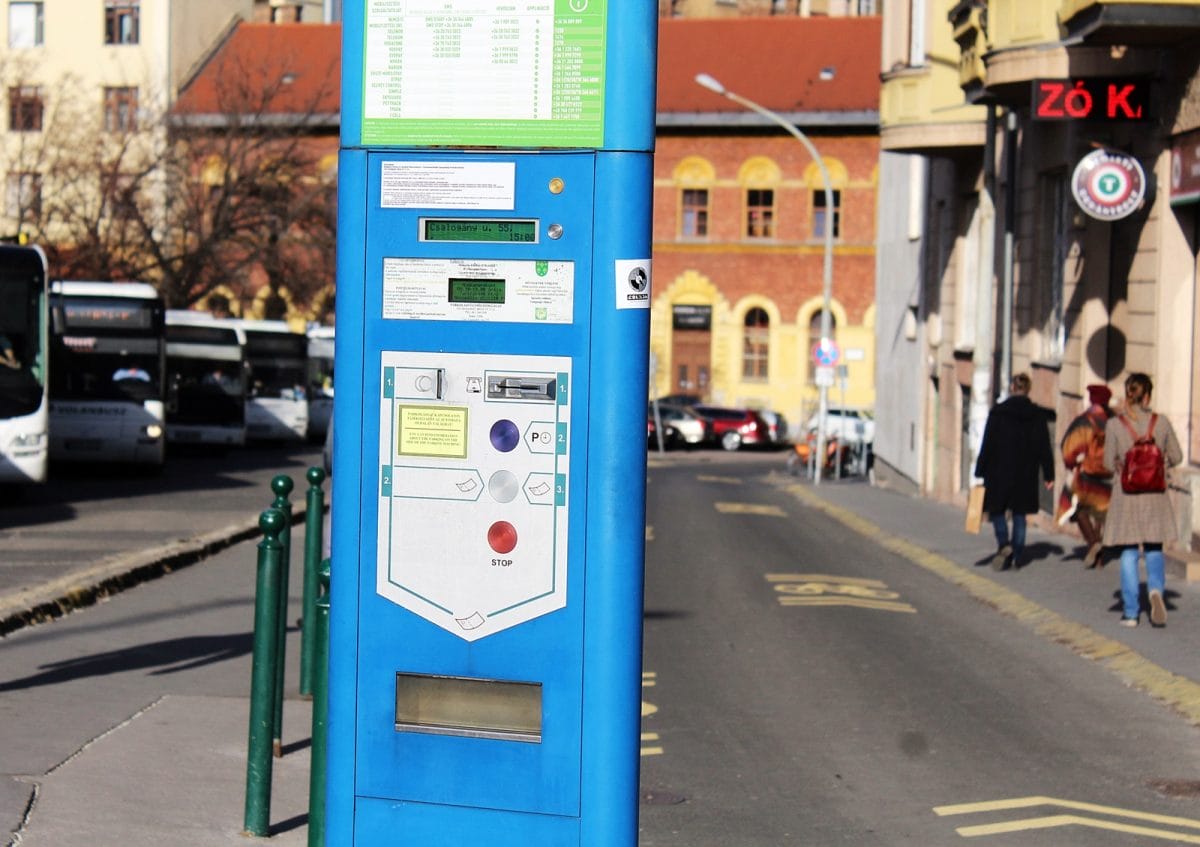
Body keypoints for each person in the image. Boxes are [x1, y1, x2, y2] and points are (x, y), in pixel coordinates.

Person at [1102, 372, 1182, 628]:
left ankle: (1131, 612)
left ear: (1128, 395)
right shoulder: (1161, 422)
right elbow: (1178, 456)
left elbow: (1106, 462)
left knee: (1128, 552)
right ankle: (1156, 590)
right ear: (1148, 396)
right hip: (1155, 495)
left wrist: (1120, 463)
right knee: (1154, 547)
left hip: (1127, 494)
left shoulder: (1115, 425)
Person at [974, 373, 1055, 570]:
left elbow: (988, 443)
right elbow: (1044, 446)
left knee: (997, 510)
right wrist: (1049, 474)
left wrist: (980, 469)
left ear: (1012, 388)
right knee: (1020, 513)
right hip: (1025, 473)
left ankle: (1004, 544)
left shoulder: (999, 413)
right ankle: (1018, 556)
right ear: (1028, 390)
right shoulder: (1037, 415)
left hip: (999, 471)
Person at [1059, 384, 1114, 568]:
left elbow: (1070, 448)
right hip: (1109, 472)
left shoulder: (1085, 420)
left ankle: (1093, 543)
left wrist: (1071, 463)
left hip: (1086, 472)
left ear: (1091, 399)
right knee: (1100, 513)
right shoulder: (1114, 420)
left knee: (1077, 508)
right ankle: (1099, 558)